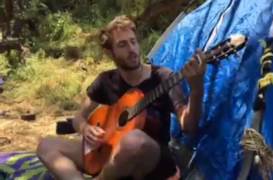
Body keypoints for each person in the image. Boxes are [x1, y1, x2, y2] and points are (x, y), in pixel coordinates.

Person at [37, 15, 206, 180]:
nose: (132, 50)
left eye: (133, 42)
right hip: (109, 153)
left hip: (151, 161)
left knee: (134, 140)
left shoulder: (163, 77)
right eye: (123, 45)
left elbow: (188, 126)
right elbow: (78, 117)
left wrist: (196, 88)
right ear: (110, 52)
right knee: (46, 145)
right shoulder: (106, 81)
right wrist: (84, 128)